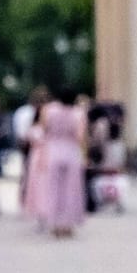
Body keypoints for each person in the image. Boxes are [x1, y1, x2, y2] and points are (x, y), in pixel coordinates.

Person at [34, 87, 88, 238]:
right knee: (71, 191)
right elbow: (80, 136)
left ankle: (55, 224)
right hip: (71, 151)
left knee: (53, 190)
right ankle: (68, 225)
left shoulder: (49, 110)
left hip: (54, 151)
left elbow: (43, 130)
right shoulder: (78, 113)